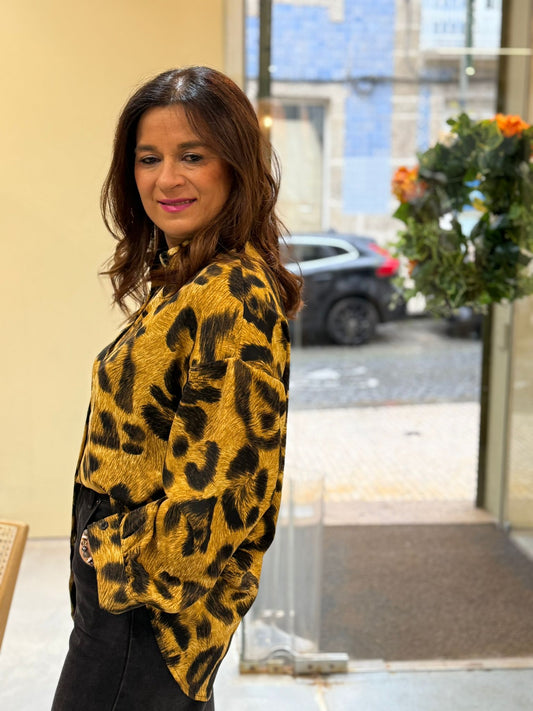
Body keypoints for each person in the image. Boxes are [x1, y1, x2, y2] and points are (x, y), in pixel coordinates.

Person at [52, 66, 302, 711]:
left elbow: (225, 499)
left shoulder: (231, 296)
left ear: (236, 167)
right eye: (148, 158)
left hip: (148, 610)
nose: (166, 179)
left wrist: (104, 553)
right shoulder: (193, 277)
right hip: (137, 600)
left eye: (193, 156)